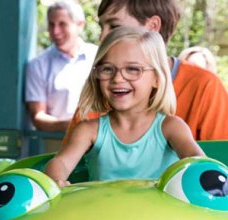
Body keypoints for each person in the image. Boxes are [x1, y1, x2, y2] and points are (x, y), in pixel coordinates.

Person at [62, 0, 228, 144]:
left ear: (152, 27)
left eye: (114, 26)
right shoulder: (104, 85)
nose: (102, 37)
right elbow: (73, 167)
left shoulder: (203, 84)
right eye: (102, 27)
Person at [46, 27, 204, 185]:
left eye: (133, 69)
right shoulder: (89, 131)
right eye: (107, 69)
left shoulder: (171, 127)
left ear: (156, 78)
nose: (117, 78)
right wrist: (56, 180)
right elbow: (61, 162)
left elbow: (199, 163)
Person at [25, 1, 98, 131]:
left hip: (98, 142)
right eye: (51, 25)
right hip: (56, 143)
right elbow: (38, 116)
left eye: (62, 24)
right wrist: (73, 125)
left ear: (80, 25)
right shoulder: (38, 65)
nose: (55, 31)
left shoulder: (98, 57)